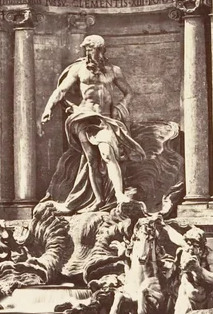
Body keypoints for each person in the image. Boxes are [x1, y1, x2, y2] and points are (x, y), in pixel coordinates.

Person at [39, 34, 146, 213]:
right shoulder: (78, 69)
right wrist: (48, 108)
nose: (88, 51)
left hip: (104, 119)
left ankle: (119, 195)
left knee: (107, 154)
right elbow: (61, 90)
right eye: (86, 48)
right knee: (92, 161)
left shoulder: (114, 70)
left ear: (101, 49)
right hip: (84, 118)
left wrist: (120, 106)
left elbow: (129, 92)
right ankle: (98, 200)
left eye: (92, 48)